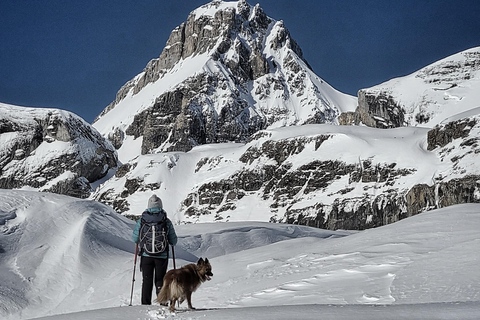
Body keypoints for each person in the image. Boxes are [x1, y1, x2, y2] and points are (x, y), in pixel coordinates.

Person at [133, 194, 178, 305]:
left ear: (148, 206)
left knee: (147, 280)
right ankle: (162, 302)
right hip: (161, 256)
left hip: (146, 255)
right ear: (160, 206)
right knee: (160, 280)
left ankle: (145, 304)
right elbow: (174, 241)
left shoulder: (142, 220)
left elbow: (135, 238)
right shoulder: (165, 221)